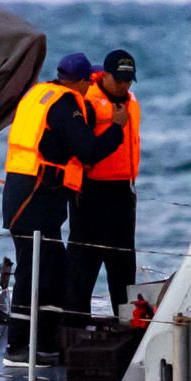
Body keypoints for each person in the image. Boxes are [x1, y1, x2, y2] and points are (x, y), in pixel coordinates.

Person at [1, 51, 127, 367]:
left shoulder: (39, 95)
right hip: (35, 197)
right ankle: (17, 347)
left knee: (52, 269)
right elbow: (88, 150)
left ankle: (44, 343)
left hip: (26, 192)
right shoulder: (65, 104)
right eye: (89, 81)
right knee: (33, 270)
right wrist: (116, 127)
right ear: (81, 81)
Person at [68, 49, 142, 321]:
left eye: (129, 80)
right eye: (119, 79)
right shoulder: (87, 101)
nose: (124, 85)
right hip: (91, 192)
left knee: (123, 265)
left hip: (123, 191)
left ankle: (126, 325)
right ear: (105, 75)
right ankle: (75, 326)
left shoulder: (131, 101)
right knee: (84, 265)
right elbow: (82, 149)